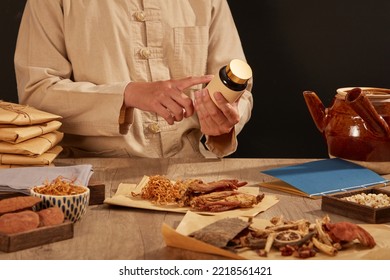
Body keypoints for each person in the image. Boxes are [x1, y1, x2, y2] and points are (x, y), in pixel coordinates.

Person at [14, 0, 253, 158]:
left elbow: (240, 90)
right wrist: (127, 94)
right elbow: (37, 93)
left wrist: (223, 122)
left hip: (191, 175)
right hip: (91, 179)